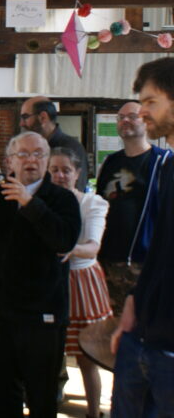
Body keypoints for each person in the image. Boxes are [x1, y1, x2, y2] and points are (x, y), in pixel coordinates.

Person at [0, 132, 80, 418]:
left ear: (47, 159)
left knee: (42, 394)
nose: (31, 160)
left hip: (41, 311)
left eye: (38, 154)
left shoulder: (62, 198)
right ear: (9, 161)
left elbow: (64, 240)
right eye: (23, 154)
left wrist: (30, 203)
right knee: (1, 392)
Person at [110, 58, 174, 417]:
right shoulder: (170, 168)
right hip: (143, 336)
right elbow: (162, 249)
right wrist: (135, 302)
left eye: (151, 101)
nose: (142, 111)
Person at [48, 147, 111, 418]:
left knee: (87, 355)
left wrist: (67, 249)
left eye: (66, 170)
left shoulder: (91, 203)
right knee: (48, 353)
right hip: (50, 280)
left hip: (82, 281)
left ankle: (94, 412)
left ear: (77, 174)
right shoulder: (41, 202)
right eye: (54, 170)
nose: (60, 175)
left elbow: (93, 246)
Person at [96, 101, 171, 314]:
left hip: (144, 261)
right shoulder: (111, 162)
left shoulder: (163, 162)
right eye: (121, 117)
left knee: (141, 321)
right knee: (110, 324)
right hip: (107, 259)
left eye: (132, 116)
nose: (125, 121)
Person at [20, 95, 89, 190]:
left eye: (25, 117)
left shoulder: (72, 148)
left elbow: (76, 191)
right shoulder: (30, 148)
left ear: (43, 117)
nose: (21, 124)